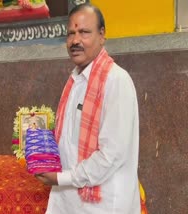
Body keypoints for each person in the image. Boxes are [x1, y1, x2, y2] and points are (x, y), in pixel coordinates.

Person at [35, 3, 141, 214]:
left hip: (103, 206)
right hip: (70, 202)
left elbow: (110, 156)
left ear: (102, 35)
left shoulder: (115, 81)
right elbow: (68, 143)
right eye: (71, 33)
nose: (75, 40)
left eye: (84, 32)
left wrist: (61, 178)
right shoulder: (75, 81)